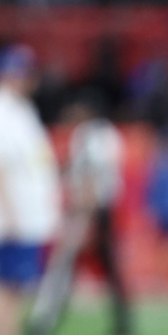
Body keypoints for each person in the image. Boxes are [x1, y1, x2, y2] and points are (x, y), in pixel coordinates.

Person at [27, 95, 130, 335]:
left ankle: (46, 320)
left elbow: (91, 175)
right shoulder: (102, 134)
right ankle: (122, 322)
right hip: (95, 209)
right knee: (89, 268)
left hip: (91, 211)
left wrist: (86, 213)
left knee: (69, 264)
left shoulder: (96, 134)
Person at [0, 46, 61, 335]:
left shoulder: (21, 110)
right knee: (6, 287)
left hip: (27, 219)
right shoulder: (4, 110)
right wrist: (9, 215)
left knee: (16, 288)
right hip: (12, 221)